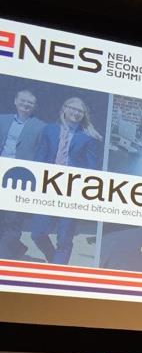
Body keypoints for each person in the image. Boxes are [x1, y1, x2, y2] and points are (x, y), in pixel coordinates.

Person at [30, 97, 102, 265]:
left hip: (71, 191)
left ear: (84, 115)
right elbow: (39, 157)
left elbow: (92, 167)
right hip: (48, 187)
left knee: (64, 239)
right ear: (64, 109)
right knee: (37, 233)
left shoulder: (88, 137)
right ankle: (55, 261)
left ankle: (58, 270)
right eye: (73, 108)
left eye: (80, 111)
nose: (76, 113)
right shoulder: (49, 130)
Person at [0, 89, 46, 259]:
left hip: (19, 177)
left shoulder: (40, 127)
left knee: (12, 219)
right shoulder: (2, 120)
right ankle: (16, 248)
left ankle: (5, 258)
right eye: (23, 100)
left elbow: (41, 153)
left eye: (30, 102)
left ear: (34, 106)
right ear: (15, 101)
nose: (26, 104)